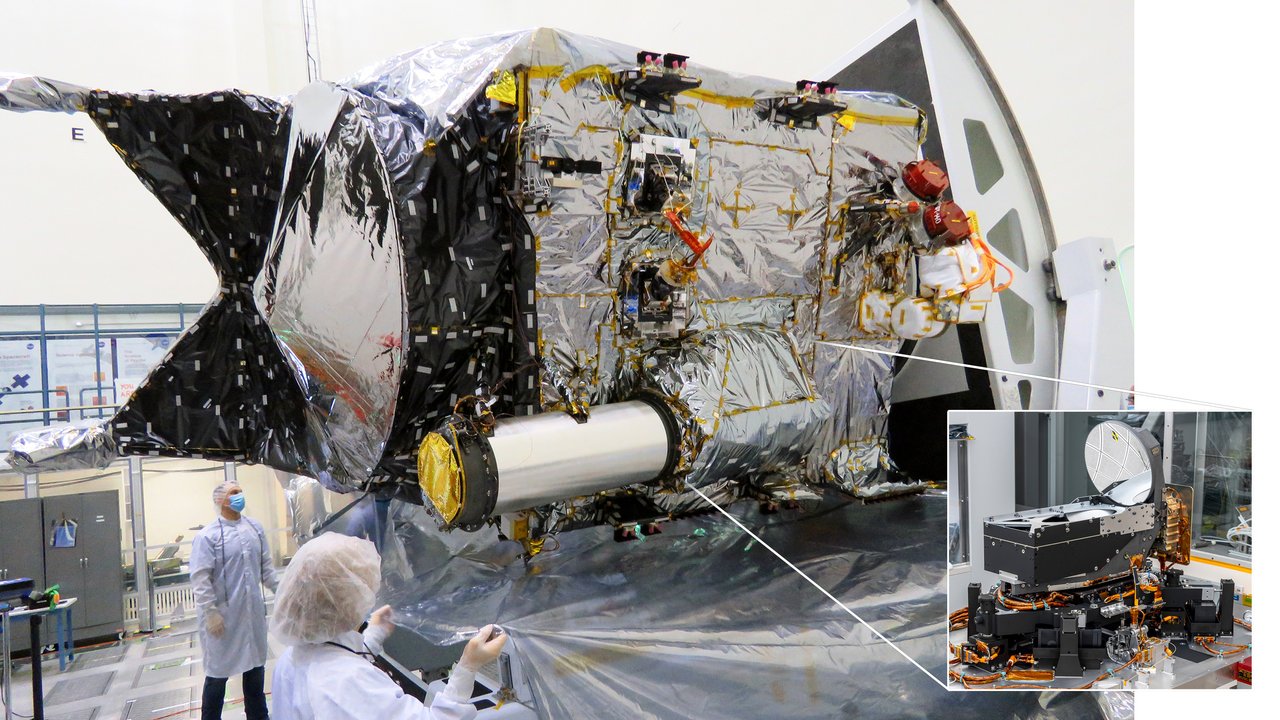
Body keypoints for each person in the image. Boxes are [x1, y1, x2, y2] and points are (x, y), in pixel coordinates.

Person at [270, 532, 507, 720]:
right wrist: (468, 667)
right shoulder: (347, 681)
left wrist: (371, 638)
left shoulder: (290, 661)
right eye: (364, 588)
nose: (371, 594)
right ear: (343, 602)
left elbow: (331, 663)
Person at [190, 481, 278, 720]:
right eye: (233, 493)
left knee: (255, 672)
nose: (239, 496)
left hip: (251, 616)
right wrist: (211, 612)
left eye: (240, 491)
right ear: (221, 500)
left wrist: (282, 593)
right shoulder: (207, 536)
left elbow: (266, 569)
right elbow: (200, 578)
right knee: (217, 677)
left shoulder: (255, 528)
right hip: (223, 620)